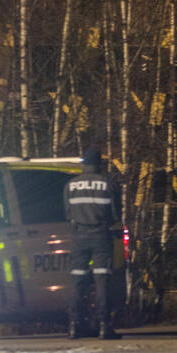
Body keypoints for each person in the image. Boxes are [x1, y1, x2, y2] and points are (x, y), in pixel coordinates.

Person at [63, 145, 123, 340]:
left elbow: (67, 213)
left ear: (84, 164)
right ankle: (105, 326)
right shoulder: (108, 184)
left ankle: (73, 326)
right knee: (102, 280)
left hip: (79, 236)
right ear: (100, 164)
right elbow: (116, 214)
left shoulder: (70, 185)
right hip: (101, 236)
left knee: (77, 280)